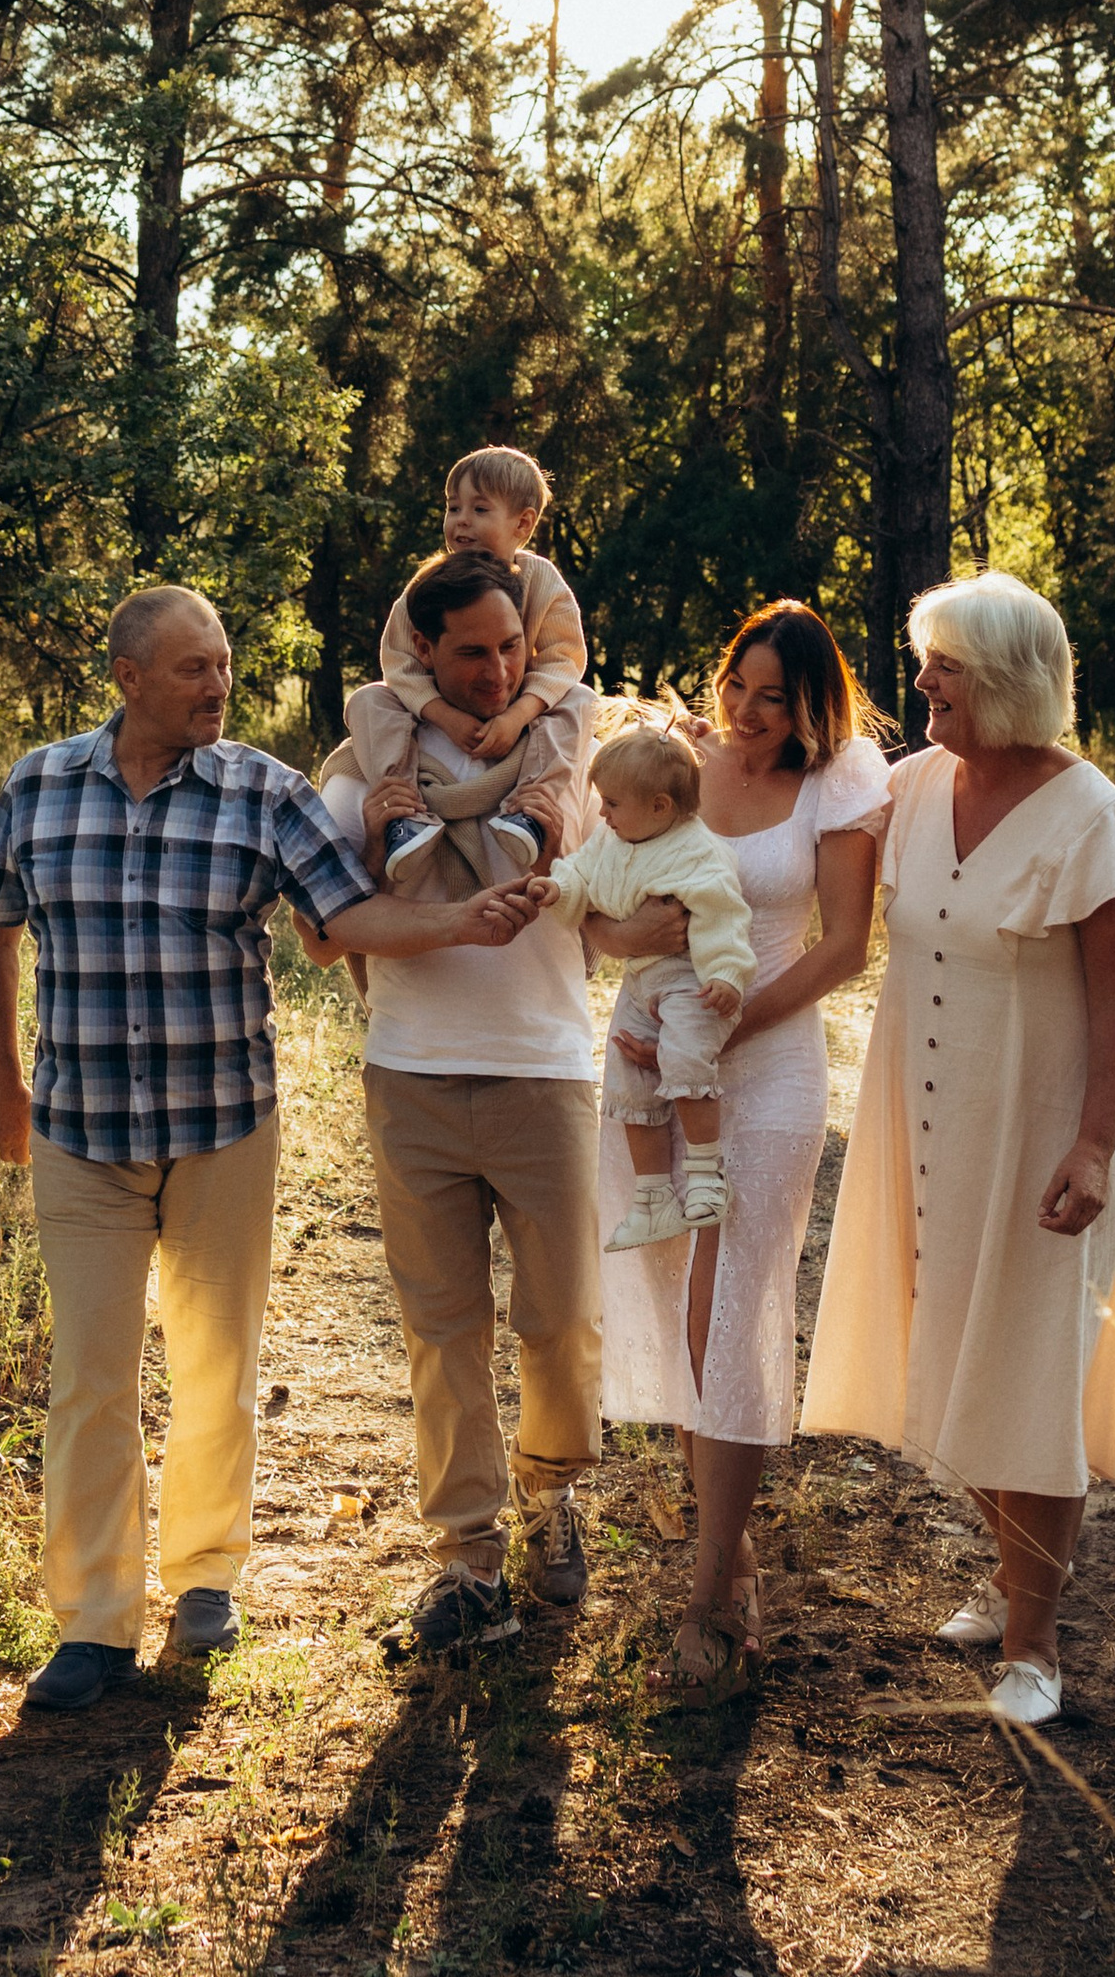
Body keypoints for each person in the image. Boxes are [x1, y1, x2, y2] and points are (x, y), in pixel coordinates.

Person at [0, 584, 549, 1717]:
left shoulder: (261, 791)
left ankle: (205, 1578)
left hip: (223, 1121)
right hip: (82, 1131)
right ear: (126, 678)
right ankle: (92, 1620)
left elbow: (345, 918)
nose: (218, 685)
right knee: (89, 1374)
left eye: (224, 664)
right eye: (193, 669)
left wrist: (460, 921)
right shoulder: (37, 784)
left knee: (216, 1364)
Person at [801, 571, 1115, 1729]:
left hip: (1043, 1143)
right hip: (929, 1133)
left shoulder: (1092, 820)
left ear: (1010, 681)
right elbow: (785, 805)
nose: (920, 682)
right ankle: (1017, 1575)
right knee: (956, 1364)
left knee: (1026, 1375)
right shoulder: (913, 786)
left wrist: (1090, 1145)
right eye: (925, 662)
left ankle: (1036, 1644)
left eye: (945, 667)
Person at [299, 550, 601, 1654]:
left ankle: (551, 1494)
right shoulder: (361, 766)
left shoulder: (573, 754)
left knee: (562, 1317)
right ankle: (466, 1555)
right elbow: (316, 933)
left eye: (511, 647)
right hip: (415, 1069)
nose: (496, 669)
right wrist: (380, 842)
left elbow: (619, 902)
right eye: (471, 651)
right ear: (421, 650)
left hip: (547, 1067)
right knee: (442, 1330)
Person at [589, 602, 889, 1684]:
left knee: (729, 1304)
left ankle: (708, 1594)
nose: (748, 712)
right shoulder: (666, 762)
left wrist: (723, 1027)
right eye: (736, 685)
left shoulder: (839, 785)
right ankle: (734, 1546)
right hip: (644, 1056)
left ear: (813, 705)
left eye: (775, 696)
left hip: (762, 1061)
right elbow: (590, 915)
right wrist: (637, 951)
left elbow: (846, 946)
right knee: (678, 1307)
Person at [339, 445, 593, 891]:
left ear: (523, 523)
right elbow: (398, 661)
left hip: (520, 706)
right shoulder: (430, 584)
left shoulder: (542, 581)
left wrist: (518, 715)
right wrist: (443, 715)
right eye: (453, 507)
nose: (460, 520)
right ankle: (405, 815)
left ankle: (530, 810)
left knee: (579, 701)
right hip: (443, 702)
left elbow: (563, 659)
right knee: (368, 699)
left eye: (479, 508)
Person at [544, 721, 755, 1249]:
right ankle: (652, 1199)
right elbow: (579, 874)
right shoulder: (613, 839)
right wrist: (556, 887)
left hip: (692, 980)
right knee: (624, 1077)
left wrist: (727, 972)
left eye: (612, 803)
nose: (602, 814)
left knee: (684, 1056)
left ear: (661, 807)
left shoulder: (699, 854)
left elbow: (725, 915)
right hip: (641, 983)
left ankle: (707, 1175)